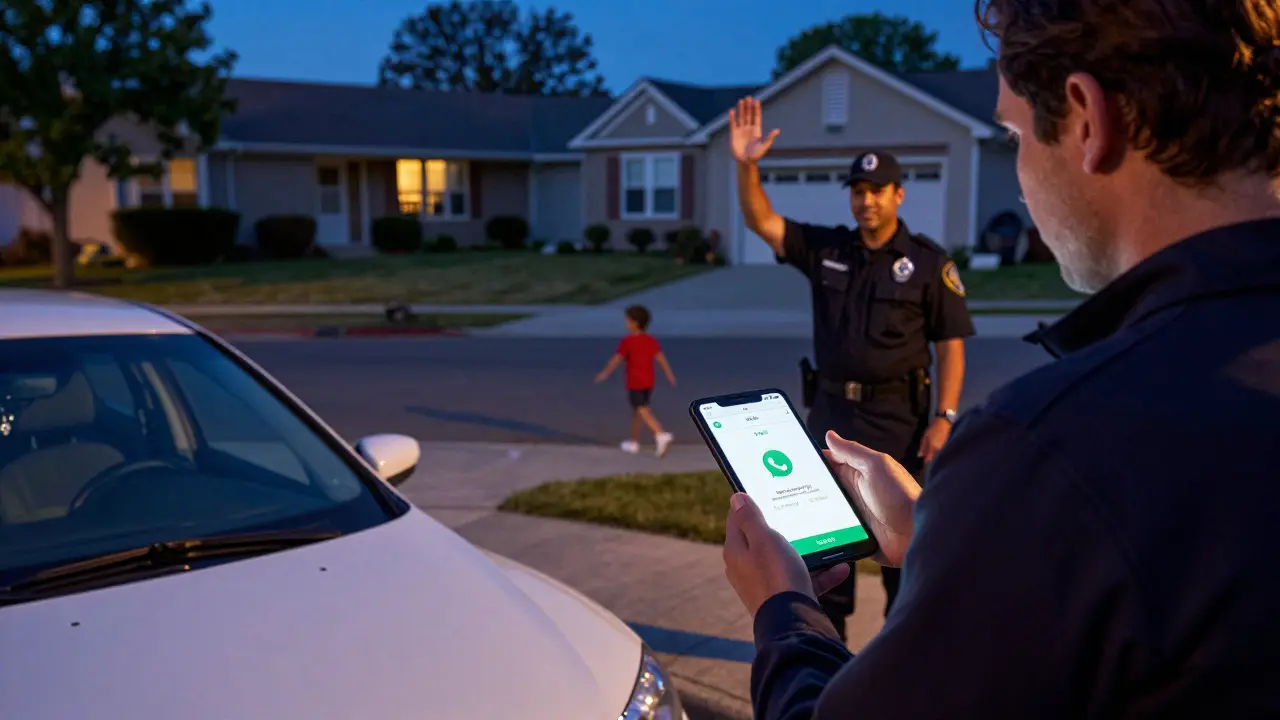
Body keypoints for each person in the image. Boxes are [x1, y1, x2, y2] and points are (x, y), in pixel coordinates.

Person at [721, 0, 1280, 716]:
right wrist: (940, 535)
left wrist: (781, 610)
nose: (1019, 177)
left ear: (1086, 119)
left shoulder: (1047, 451)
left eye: (1013, 133)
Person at [730, 102, 974, 633]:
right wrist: (747, 166)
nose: (866, 200)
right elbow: (762, 222)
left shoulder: (929, 264)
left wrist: (945, 417)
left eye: (877, 190)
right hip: (832, 417)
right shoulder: (828, 250)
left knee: (903, 557)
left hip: (899, 427)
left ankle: (898, 658)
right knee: (822, 549)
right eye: (858, 191)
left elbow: (951, 345)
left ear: (898, 195)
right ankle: (827, 655)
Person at [595, 305, 677, 457]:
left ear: (635, 323)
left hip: (636, 382)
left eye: (627, 320)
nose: (625, 323)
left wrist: (605, 373)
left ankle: (660, 434)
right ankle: (633, 442)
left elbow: (616, 359)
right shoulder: (650, 340)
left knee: (641, 409)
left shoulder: (628, 341)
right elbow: (661, 359)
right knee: (637, 411)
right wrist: (669, 374)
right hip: (648, 382)